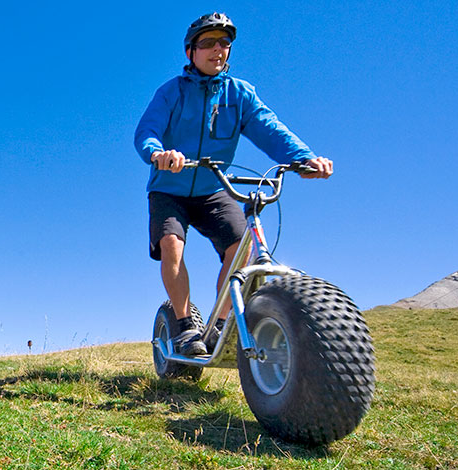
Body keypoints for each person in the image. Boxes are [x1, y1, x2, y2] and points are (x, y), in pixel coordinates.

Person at [133, 13, 333, 355]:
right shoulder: (171, 92)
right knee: (171, 244)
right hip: (170, 186)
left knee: (243, 248)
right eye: (207, 43)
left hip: (213, 189)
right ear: (190, 52)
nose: (217, 49)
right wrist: (159, 153)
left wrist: (303, 158)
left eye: (224, 43)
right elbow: (146, 131)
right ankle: (183, 325)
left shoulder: (239, 95)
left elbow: (269, 128)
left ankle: (219, 324)